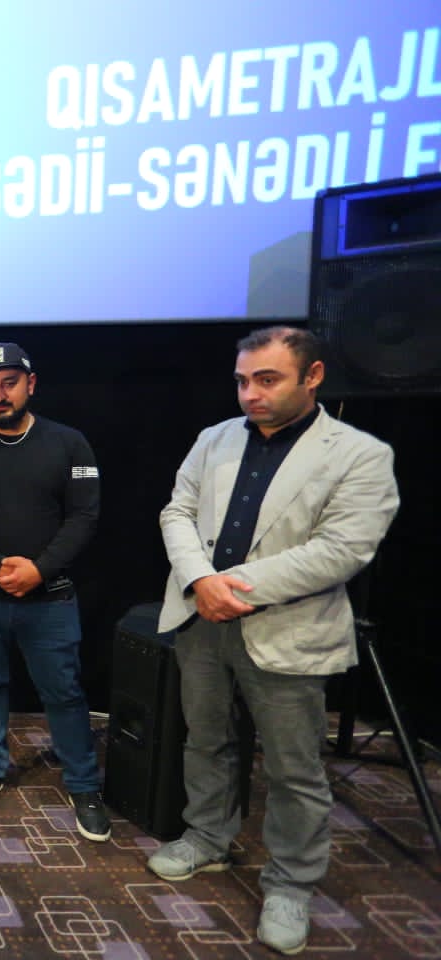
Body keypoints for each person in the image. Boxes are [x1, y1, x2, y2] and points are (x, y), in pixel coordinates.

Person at [150, 326, 399, 955]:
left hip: (288, 630)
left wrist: (228, 586)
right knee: (206, 740)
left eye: (267, 380)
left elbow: (342, 550)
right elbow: (177, 512)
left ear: (312, 377)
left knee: (294, 769)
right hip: (201, 621)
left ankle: (291, 883)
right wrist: (200, 581)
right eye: (242, 381)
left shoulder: (359, 454)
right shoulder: (214, 438)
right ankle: (207, 837)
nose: (250, 394)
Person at [0, 342, 110, 842]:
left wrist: (40, 569)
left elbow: (84, 515)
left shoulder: (69, 443)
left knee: (64, 691)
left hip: (49, 595)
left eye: (8, 383)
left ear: (31, 383)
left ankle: (83, 784)